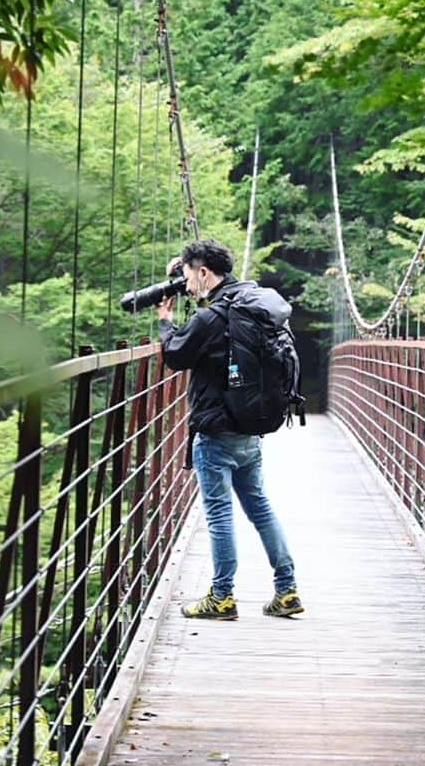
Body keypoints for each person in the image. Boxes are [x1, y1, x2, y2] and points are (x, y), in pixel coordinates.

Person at [157, 238, 303, 620]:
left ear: (204, 272)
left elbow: (176, 354)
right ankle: (287, 590)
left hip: (215, 433)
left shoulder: (209, 319)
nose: (185, 284)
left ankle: (221, 596)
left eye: (188, 275)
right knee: (260, 508)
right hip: (249, 430)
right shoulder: (249, 302)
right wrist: (181, 272)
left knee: (219, 515)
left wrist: (164, 323)